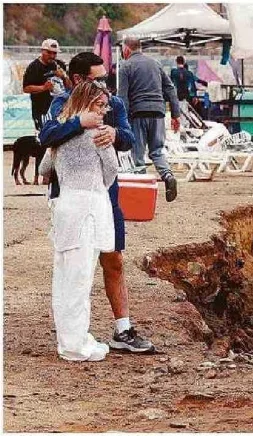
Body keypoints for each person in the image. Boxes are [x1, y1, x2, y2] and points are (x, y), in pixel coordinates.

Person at [40, 52, 154, 354]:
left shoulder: (114, 105)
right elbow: (47, 135)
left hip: (104, 195)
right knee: (74, 266)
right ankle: (73, 334)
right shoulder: (61, 103)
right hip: (70, 195)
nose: (105, 84)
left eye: (107, 77)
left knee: (113, 258)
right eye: (98, 78)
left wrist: (114, 133)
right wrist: (80, 122)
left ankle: (123, 329)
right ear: (79, 80)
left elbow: (129, 139)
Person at [38, 81, 118, 361]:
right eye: (100, 105)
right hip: (88, 206)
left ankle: (69, 340)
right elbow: (112, 170)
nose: (104, 111)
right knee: (80, 279)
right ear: (88, 103)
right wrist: (95, 185)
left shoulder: (59, 132)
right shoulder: (97, 134)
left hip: (64, 206)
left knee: (64, 278)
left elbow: (44, 169)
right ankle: (76, 346)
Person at [118, 37, 180, 202]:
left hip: (138, 114)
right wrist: (176, 114)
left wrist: (120, 120)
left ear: (126, 50)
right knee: (157, 151)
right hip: (158, 113)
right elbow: (170, 89)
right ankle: (167, 176)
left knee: (137, 154)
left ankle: (141, 195)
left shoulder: (126, 66)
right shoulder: (155, 63)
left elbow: (122, 97)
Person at [22, 39, 72, 131]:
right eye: (49, 53)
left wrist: (64, 76)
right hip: (42, 110)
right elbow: (26, 88)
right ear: (42, 51)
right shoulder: (34, 67)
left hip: (61, 108)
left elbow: (70, 87)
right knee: (44, 135)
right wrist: (43, 87)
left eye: (54, 53)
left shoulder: (60, 64)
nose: (52, 56)